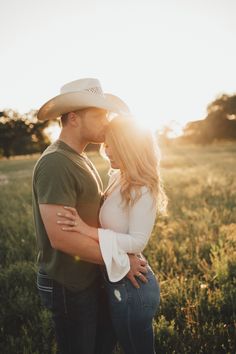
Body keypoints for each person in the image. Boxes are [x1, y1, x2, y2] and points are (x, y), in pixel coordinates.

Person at [32, 78, 149, 354]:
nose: (107, 122)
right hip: (68, 281)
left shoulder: (80, 157)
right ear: (74, 118)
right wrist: (122, 262)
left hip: (89, 275)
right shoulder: (56, 163)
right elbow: (62, 239)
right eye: (99, 114)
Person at [56, 115, 168, 354]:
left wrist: (86, 230)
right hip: (116, 277)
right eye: (106, 144)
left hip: (133, 286)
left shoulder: (142, 188)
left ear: (130, 148)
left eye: (114, 146)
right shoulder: (118, 178)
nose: (107, 151)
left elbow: (138, 241)